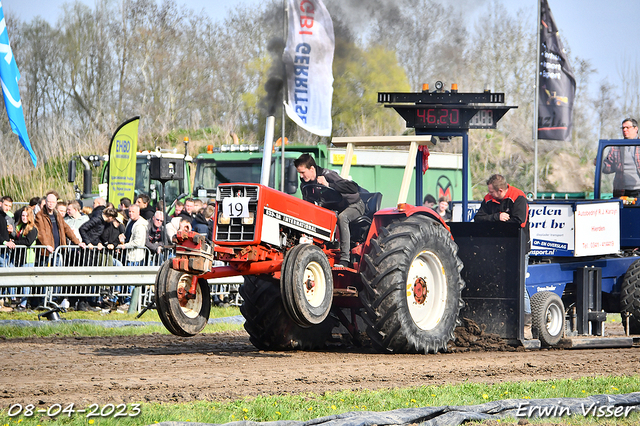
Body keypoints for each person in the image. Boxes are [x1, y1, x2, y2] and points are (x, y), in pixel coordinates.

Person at [473, 174, 531, 332]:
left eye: (491, 191)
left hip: (518, 248)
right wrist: (495, 217)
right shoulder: (488, 199)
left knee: (520, 285)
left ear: (500, 190)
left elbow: (520, 221)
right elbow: (478, 218)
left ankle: (526, 325)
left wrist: (496, 222)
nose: (488, 194)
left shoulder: (518, 197)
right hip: (496, 249)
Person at [295, 153, 364, 268]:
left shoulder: (328, 175)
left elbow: (353, 187)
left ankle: (345, 259)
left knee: (343, 217)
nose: (301, 176)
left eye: (303, 172)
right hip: (334, 208)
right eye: (299, 173)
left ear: (312, 169)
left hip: (354, 205)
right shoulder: (305, 185)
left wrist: (328, 184)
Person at [35, 191, 85, 266]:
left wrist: (77, 242)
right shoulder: (40, 215)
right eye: (49, 202)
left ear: (56, 203)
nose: (51, 204)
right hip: (47, 252)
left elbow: (66, 229)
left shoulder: (57, 215)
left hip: (58, 249)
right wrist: (47, 245)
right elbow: (41, 233)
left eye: (53, 202)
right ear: (46, 202)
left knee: (57, 273)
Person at [601, 118, 640, 198]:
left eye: (627, 127)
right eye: (623, 128)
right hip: (622, 192)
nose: (624, 130)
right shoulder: (616, 147)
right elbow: (609, 167)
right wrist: (599, 164)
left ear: (636, 129)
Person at [12, 207, 38, 309]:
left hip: (28, 257)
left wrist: (15, 243)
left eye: (26, 215)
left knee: (26, 281)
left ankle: (24, 303)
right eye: (23, 215)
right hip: (19, 256)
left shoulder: (32, 228)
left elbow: (28, 242)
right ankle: (16, 300)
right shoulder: (20, 227)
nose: (24, 217)